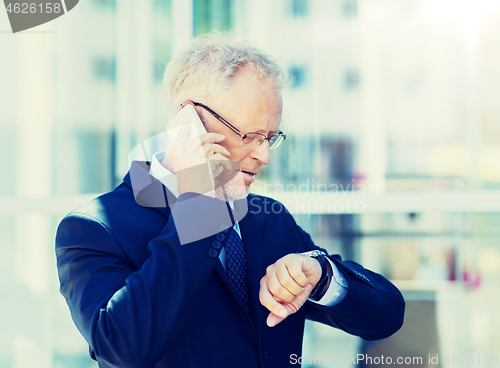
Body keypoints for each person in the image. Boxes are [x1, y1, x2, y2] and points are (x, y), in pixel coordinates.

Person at [56, 34, 405, 368]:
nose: (264, 156)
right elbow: (123, 350)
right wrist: (201, 201)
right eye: (250, 136)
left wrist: (322, 277)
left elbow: (386, 316)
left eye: (270, 137)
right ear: (188, 124)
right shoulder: (95, 229)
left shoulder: (268, 218)